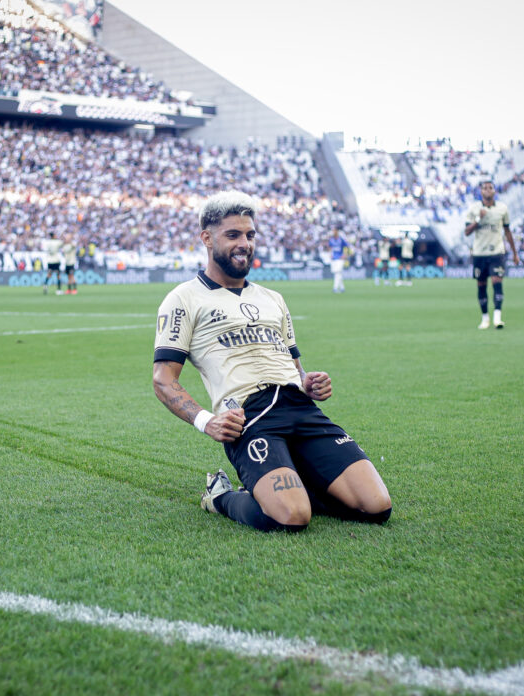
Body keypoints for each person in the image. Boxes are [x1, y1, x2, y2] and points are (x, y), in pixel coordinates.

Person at [153, 191, 392, 533]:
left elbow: (295, 368)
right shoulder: (183, 299)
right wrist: (207, 422)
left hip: (302, 409)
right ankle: (220, 497)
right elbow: (163, 379)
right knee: (291, 517)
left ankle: (295, 483)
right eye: (233, 235)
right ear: (207, 238)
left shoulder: (273, 299)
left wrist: (308, 382)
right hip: (251, 417)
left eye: (250, 235)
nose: (244, 244)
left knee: (377, 507)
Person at [464, 180, 519, 329]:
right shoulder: (474, 209)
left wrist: (515, 253)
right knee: (481, 285)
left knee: (497, 282)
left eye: (490, 188)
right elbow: (467, 232)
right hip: (479, 253)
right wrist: (478, 219)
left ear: (495, 191)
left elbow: (507, 231)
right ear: (481, 192)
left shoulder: (502, 208)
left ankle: (497, 318)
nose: (488, 190)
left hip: (497, 252)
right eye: (485, 188)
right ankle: (485, 318)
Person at [328, 227, 348, 294]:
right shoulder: (331, 240)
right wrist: (330, 254)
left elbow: (346, 246)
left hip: (340, 258)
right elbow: (330, 247)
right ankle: (342, 288)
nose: (333, 232)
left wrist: (345, 254)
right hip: (334, 258)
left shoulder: (341, 239)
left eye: (334, 231)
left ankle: (335, 288)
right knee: (338, 274)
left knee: (337, 272)